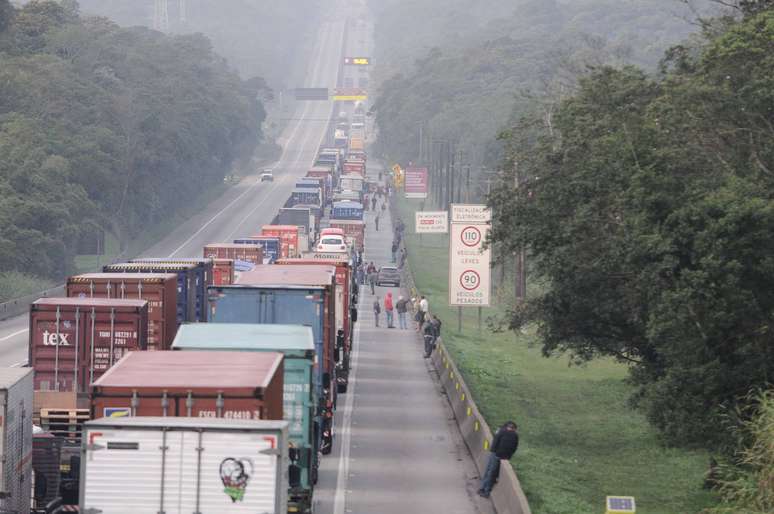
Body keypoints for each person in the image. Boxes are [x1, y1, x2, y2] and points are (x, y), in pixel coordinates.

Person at [478, 422, 519, 498]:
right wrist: (508, 457)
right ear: (514, 428)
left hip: (496, 455)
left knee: (489, 472)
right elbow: (514, 448)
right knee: (493, 474)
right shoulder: (515, 436)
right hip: (505, 457)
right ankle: (485, 489)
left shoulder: (501, 432)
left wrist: (494, 452)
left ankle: (484, 489)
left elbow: (495, 443)